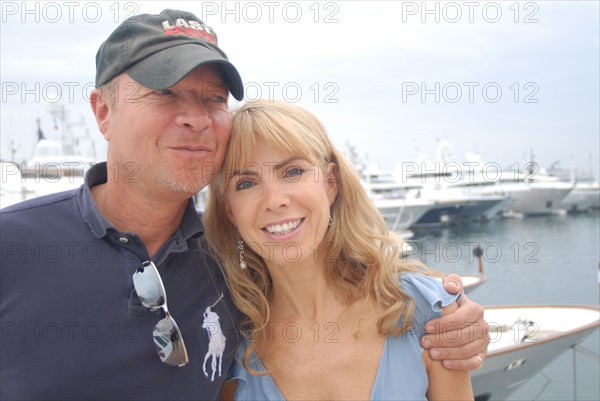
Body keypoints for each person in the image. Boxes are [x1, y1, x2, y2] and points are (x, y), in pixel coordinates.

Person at [0, 9, 486, 401]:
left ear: (331, 183)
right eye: (165, 95)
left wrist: (458, 321)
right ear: (103, 111)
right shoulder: (13, 246)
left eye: (212, 99)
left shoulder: (228, 292)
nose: (193, 117)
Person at [203, 100, 474, 400]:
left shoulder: (425, 309)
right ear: (230, 211)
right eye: (246, 183)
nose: (274, 200)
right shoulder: (228, 351)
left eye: (292, 171)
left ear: (331, 183)